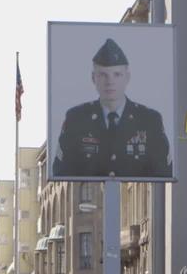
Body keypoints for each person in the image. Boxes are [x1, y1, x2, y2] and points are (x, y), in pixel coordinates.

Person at [54, 38, 171, 179]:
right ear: (93, 78)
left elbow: (164, 171)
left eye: (117, 74)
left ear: (127, 77)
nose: (110, 81)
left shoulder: (150, 120)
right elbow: (61, 171)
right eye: (103, 75)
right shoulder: (76, 119)